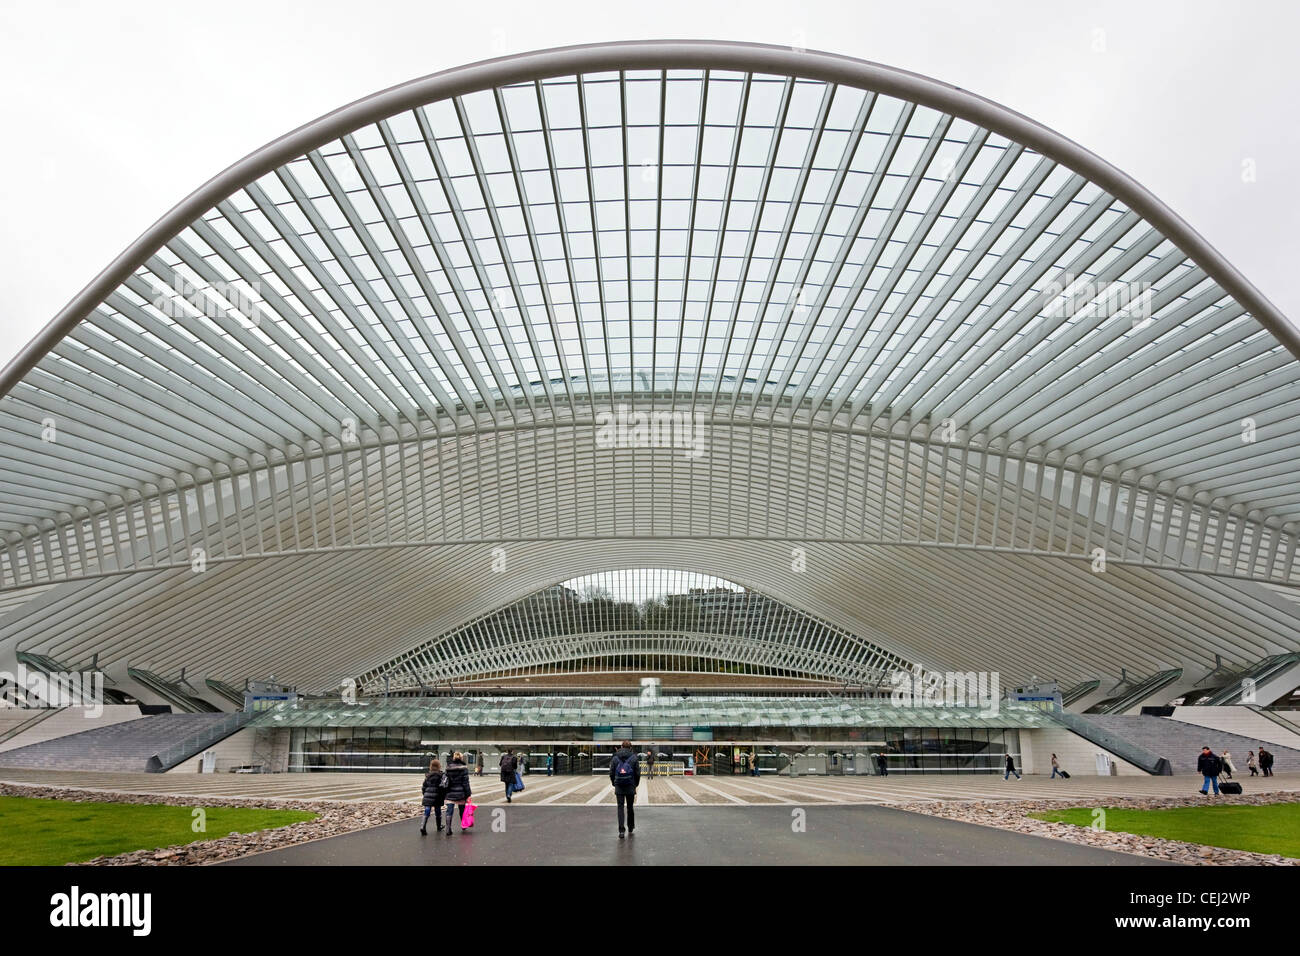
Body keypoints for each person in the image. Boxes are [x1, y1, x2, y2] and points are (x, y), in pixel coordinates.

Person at [609, 739, 641, 838]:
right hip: (630, 785)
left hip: (619, 785)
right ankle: (630, 827)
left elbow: (611, 772)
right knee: (630, 807)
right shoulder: (634, 758)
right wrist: (635, 784)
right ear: (630, 747)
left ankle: (621, 831)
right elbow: (637, 773)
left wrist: (614, 783)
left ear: (621, 747)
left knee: (620, 807)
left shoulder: (615, 758)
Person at [443, 750, 472, 833]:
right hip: (461, 792)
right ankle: (463, 825)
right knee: (462, 809)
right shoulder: (464, 768)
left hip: (450, 791)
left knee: (449, 809)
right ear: (461, 758)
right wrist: (468, 794)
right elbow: (466, 782)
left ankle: (448, 828)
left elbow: (445, 780)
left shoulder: (448, 767)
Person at [420, 758, 446, 835]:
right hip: (437, 796)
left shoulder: (428, 776)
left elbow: (424, 787)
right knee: (438, 811)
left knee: (427, 810)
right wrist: (443, 796)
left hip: (428, 795)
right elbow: (442, 787)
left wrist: (425, 794)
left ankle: (423, 826)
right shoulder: (441, 775)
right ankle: (438, 826)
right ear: (439, 766)